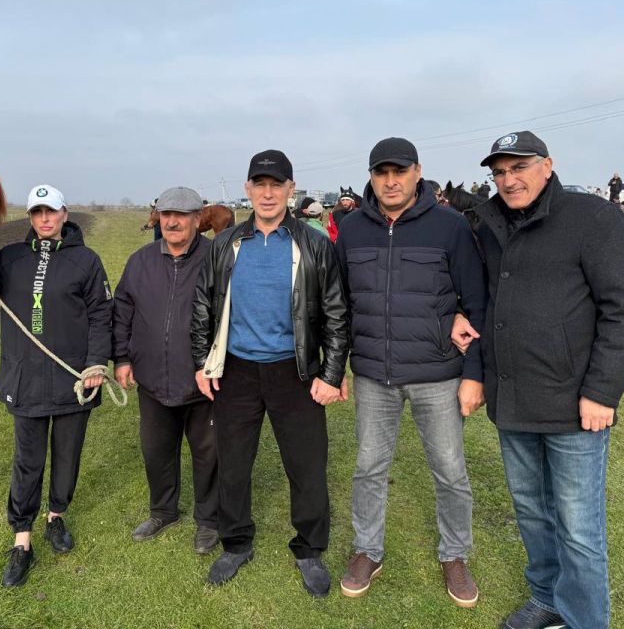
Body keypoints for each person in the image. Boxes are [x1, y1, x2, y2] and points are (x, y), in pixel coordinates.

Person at [454, 131, 624, 629]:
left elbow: (623, 310)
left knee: (579, 528)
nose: (508, 180)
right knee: (532, 513)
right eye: (499, 172)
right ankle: (548, 598)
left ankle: (583, 619)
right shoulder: (491, 222)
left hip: (575, 403)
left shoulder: (590, 218)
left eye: (518, 167)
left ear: (547, 165)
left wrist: (602, 391)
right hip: (514, 397)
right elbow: (486, 297)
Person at [334, 138, 488, 607]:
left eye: (399, 171)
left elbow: (476, 301)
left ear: (418, 172)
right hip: (372, 375)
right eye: (381, 172)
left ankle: (455, 555)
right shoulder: (352, 228)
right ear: (371, 176)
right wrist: (335, 366)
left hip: (438, 373)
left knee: (449, 470)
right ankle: (367, 550)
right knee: (368, 468)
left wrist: (474, 374)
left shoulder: (451, 226)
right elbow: (338, 303)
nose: (391, 180)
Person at [191, 149, 349, 598]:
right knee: (233, 462)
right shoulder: (226, 243)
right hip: (237, 370)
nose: (266, 192)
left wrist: (332, 373)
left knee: (307, 465)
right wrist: (203, 362)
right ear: (246, 190)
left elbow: (337, 314)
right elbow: (204, 305)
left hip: (295, 371)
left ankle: (310, 547)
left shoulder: (315, 243)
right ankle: (236, 541)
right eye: (258, 184)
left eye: (275, 185)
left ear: (290, 190)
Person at [0, 184, 113, 588]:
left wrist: (96, 363)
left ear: (65, 214)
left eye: (52, 212)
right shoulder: (10, 258)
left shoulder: (86, 261)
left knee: (67, 455)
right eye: (37, 213)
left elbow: (102, 314)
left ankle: (56, 517)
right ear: (30, 218)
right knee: (27, 460)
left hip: (74, 380)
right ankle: (22, 539)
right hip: (25, 379)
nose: (44, 219)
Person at [112, 186, 219, 554]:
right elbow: (122, 310)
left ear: (197, 219)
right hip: (152, 378)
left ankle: (208, 519)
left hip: (203, 380)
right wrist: (123, 359)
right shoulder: (140, 261)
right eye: (166, 214)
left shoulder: (216, 258)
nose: (172, 221)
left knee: (209, 452)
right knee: (156, 448)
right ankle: (163, 510)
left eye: (181, 214)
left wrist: (216, 364)